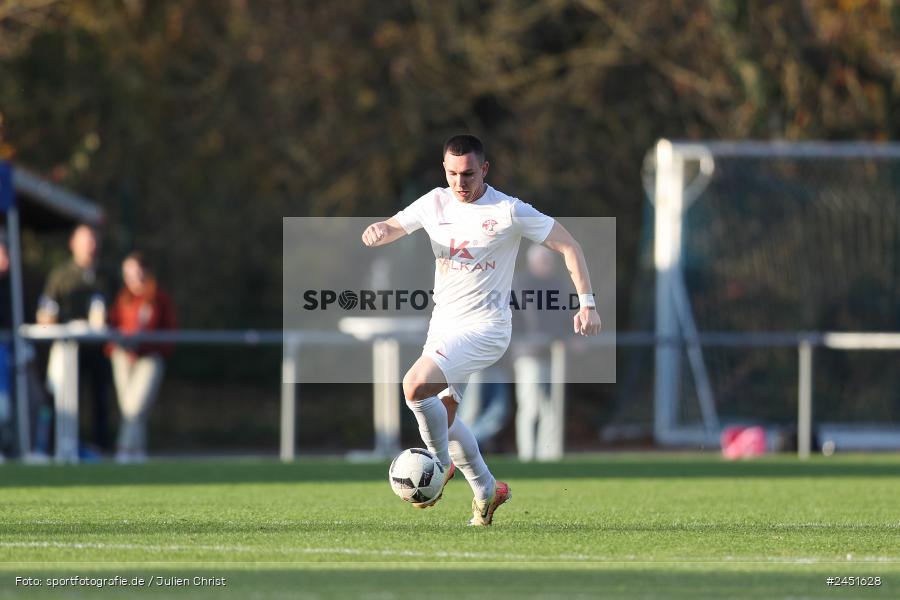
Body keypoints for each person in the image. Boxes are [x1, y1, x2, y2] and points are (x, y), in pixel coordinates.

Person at [362, 134, 601, 526]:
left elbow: (569, 245)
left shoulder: (508, 210)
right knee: (448, 419)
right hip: (443, 327)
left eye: (469, 174)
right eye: (453, 173)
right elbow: (392, 226)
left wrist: (587, 303)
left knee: (413, 385)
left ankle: (436, 469)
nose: (461, 182)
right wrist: (377, 231)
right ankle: (488, 491)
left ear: (484, 169)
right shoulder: (433, 202)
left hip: (486, 329)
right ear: (444, 170)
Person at [37, 223, 112, 455]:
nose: (90, 245)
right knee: (67, 399)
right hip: (70, 349)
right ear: (73, 244)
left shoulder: (106, 274)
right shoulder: (61, 276)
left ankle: (101, 448)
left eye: (93, 240)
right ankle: (62, 446)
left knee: (100, 398)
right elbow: (46, 310)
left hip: (99, 348)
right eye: (85, 240)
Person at [107, 252, 176, 463]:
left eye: (136, 271)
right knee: (132, 410)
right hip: (123, 357)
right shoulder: (121, 298)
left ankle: (124, 451)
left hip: (149, 358)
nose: (133, 277)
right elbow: (111, 327)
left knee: (133, 407)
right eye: (128, 273)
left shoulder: (159, 298)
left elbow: (170, 331)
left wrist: (150, 345)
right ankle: (137, 454)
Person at [511, 244, 572, 461]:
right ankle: (527, 455)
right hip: (529, 355)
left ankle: (549, 456)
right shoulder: (521, 283)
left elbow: (564, 318)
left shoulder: (559, 284)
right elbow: (530, 321)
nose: (547, 265)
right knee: (530, 407)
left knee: (552, 408)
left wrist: (566, 338)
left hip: (553, 355)